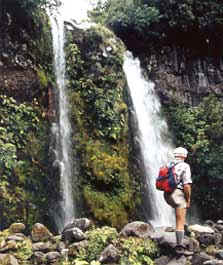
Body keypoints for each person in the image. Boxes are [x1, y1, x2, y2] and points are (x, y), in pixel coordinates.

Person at [164, 147, 192, 254]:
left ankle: (182, 231)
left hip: (167, 195)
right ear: (184, 156)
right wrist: (188, 199)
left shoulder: (168, 164)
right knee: (180, 219)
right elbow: (186, 186)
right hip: (177, 194)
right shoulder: (185, 166)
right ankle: (179, 246)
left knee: (178, 214)